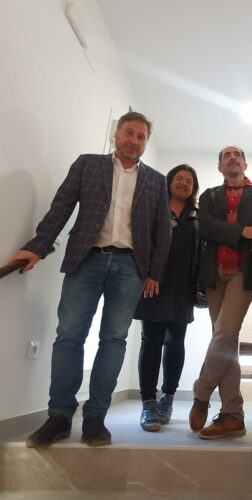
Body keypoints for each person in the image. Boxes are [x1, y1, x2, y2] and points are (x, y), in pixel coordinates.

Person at [11, 111, 171, 447]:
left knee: (114, 339)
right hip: (86, 260)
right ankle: (59, 416)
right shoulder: (88, 164)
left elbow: (162, 231)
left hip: (130, 266)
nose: (134, 141)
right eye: (129, 133)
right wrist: (38, 247)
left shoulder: (156, 181)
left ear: (146, 143)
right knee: (69, 335)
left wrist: (155, 272)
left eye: (141, 137)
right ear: (117, 134)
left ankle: (96, 417)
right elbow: (61, 207)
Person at [188, 146, 252, 440]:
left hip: (242, 271)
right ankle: (233, 416)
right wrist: (243, 232)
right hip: (214, 273)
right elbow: (207, 227)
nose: (233, 158)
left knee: (224, 333)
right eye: (227, 155)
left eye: (237, 154)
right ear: (220, 167)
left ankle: (201, 393)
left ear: (245, 164)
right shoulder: (209, 196)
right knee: (226, 340)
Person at [134, 164, 200, 432]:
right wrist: (148, 274)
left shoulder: (197, 216)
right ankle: (148, 403)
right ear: (169, 181)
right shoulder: (154, 207)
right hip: (154, 282)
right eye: (179, 178)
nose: (184, 183)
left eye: (189, 181)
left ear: (194, 188)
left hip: (183, 287)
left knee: (176, 342)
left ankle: (167, 397)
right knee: (151, 341)